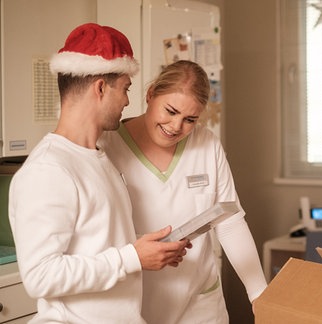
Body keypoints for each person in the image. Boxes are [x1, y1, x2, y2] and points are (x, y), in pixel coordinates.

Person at [9, 23, 190, 323]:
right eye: (125, 89)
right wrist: (131, 257)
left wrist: (146, 248)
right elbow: (40, 276)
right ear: (101, 88)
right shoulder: (48, 170)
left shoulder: (98, 157)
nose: (128, 101)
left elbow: (97, 242)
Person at [99, 60, 267, 323]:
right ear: (151, 93)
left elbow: (230, 221)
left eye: (190, 119)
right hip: (136, 301)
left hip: (199, 302)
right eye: (170, 111)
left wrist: (259, 293)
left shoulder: (206, 144)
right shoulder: (107, 146)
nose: (176, 126)